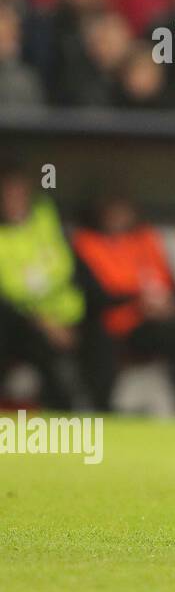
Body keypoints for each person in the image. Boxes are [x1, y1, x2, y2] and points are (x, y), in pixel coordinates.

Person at [71, 188, 175, 415]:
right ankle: (103, 412)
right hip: (108, 324)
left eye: (123, 213)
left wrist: (168, 305)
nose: (119, 219)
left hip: (149, 324)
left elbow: (171, 284)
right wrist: (138, 301)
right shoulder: (87, 243)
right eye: (113, 213)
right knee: (98, 342)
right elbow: (96, 296)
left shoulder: (146, 239)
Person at [0, 161, 112, 410]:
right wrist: (46, 324)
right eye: (8, 194)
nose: (15, 200)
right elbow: (9, 296)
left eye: (20, 192)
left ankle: (104, 414)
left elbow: (68, 268)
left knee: (103, 340)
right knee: (39, 347)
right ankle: (60, 413)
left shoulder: (46, 216)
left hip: (70, 315)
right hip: (27, 323)